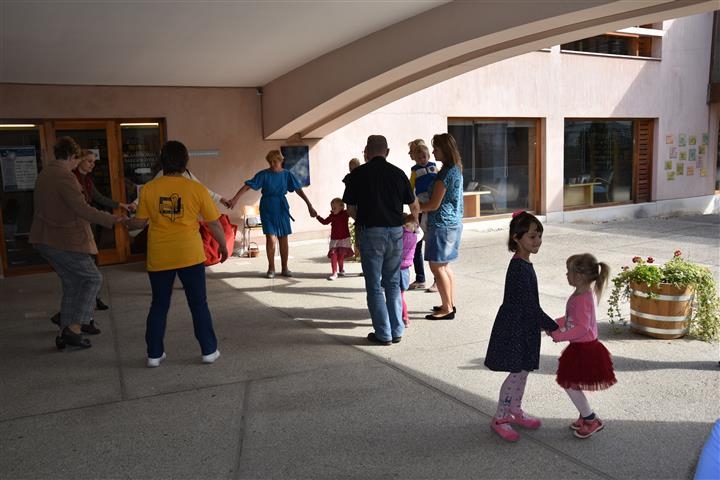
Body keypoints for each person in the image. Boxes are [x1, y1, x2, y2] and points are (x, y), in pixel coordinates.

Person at [124, 140, 228, 367]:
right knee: (198, 304)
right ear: (185, 162)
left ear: (162, 161)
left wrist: (125, 222)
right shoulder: (196, 189)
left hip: (160, 255)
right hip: (190, 254)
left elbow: (139, 223)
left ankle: (154, 355)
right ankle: (209, 351)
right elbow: (214, 223)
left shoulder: (149, 188)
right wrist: (222, 245)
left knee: (159, 304)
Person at [30, 137, 127, 350]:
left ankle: (65, 332)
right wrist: (114, 219)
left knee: (73, 283)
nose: (78, 163)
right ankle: (74, 328)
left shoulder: (45, 173)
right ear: (72, 156)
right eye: (78, 159)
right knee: (93, 278)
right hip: (63, 240)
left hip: (46, 238)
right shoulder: (64, 177)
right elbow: (82, 209)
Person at [484, 211, 559, 442]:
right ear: (516, 238)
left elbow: (530, 306)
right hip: (515, 327)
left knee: (524, 370)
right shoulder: (518, 268)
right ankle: (500, 417)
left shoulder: (525, 264)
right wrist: (552, 326)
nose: (537, 241)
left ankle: (515, 409)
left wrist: (545, 324)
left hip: (525, 326)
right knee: (516, 372)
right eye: (532, 237)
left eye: (539, 236)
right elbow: (529, 306)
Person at [342, 135, 419, 345]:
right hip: (395, 232)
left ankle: (383, 334)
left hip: (370, 232)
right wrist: (414, 224)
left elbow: (350, 208)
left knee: (374, 285)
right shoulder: (398, 173)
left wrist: (363, 221)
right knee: (393, 282)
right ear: (387, 152)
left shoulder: (357, 174)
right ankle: (397, 330)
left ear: (367, 152)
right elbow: (414, 205)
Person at [550, 253, 616, 439]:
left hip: (584, 350)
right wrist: (554, 324)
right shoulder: (582, 294)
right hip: (582, 348)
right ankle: (584, 414)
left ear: (578, 276)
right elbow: (572, 319)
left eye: (568, 271)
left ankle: (591, 419)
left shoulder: (582, 299)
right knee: (573, 383)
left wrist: (559, 335)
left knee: (570, 384)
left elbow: (581, 327)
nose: (566, 275)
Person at [228, 149, 317, 278]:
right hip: (267, 207)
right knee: (270, 238)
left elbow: (299, 190)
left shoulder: (287, 175)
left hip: (281, 207)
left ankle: (285, 268)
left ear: (281, 161)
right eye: (270, 162)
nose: (272, 164)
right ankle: (271, 268)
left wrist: (309, 205)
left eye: (275, 161)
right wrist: (235, 199)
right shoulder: (264, 174)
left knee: (283, 238)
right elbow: (248, 186)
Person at [75, 149, 135, 312]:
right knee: (86, 265)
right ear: (79, 160)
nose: (92, 165)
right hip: (77, 227)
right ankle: (86, 301)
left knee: (93, 260)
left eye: (94, 162)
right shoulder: (72, 179)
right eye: (89, 161)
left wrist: (121, 205)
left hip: (88, 225)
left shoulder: (87, 180)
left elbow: (99, 198)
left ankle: (93, 298)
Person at [418, 133, 464, 320]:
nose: (433, 151)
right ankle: (449, 303)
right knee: (444, 266)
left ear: (445, 149)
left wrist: (414, 208)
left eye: (436, 148)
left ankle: (447, 308)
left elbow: (433, 204)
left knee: (437, 266)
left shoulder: (445, 173)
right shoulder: (455, 169)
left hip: (441, 224)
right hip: (453, 223)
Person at [407, 139, 437, 292]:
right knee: (417, 244)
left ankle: (437, 280)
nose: (421, 159)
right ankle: (420, 278)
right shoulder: (414, 171)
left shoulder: (434, 167)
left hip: (433, 207)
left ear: (428, 155)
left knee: (432, 244)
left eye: (424, 156)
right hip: (419, 206)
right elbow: (409, 189)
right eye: (417, 156)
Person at [315, 197, 354, 280]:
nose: (332, 210)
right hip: (334, 239)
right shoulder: (332, 216)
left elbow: (352, 212)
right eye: (332, 208)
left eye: (334, 208)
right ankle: (334, 272)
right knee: (333, 254)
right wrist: (317, 216)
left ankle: (341, 269)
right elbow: (324, 222)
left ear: (341, 207)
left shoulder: (345, 214)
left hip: (344, 239)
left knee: (341, 256)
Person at [400, 213, 423, 327]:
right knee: (401, 293)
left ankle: (404, 317)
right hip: (405, 269)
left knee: (397, 295)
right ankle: (404, 317)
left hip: (395, 268)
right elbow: (421, 233)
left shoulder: (399, 237)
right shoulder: (415, 237)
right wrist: (417, 226)